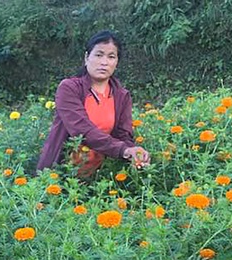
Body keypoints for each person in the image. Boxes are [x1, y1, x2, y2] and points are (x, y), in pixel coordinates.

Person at [37, 30, 150, 177]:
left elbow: (123, 136)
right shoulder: (69, 88)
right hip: (61, 175)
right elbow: (81, 130)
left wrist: (135, 153)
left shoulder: (122, 96)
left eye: (111, 57)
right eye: (98, 55)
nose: (104, 62)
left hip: (100, 177)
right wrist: (123, 150)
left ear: (116, 62)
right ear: (86, 57)